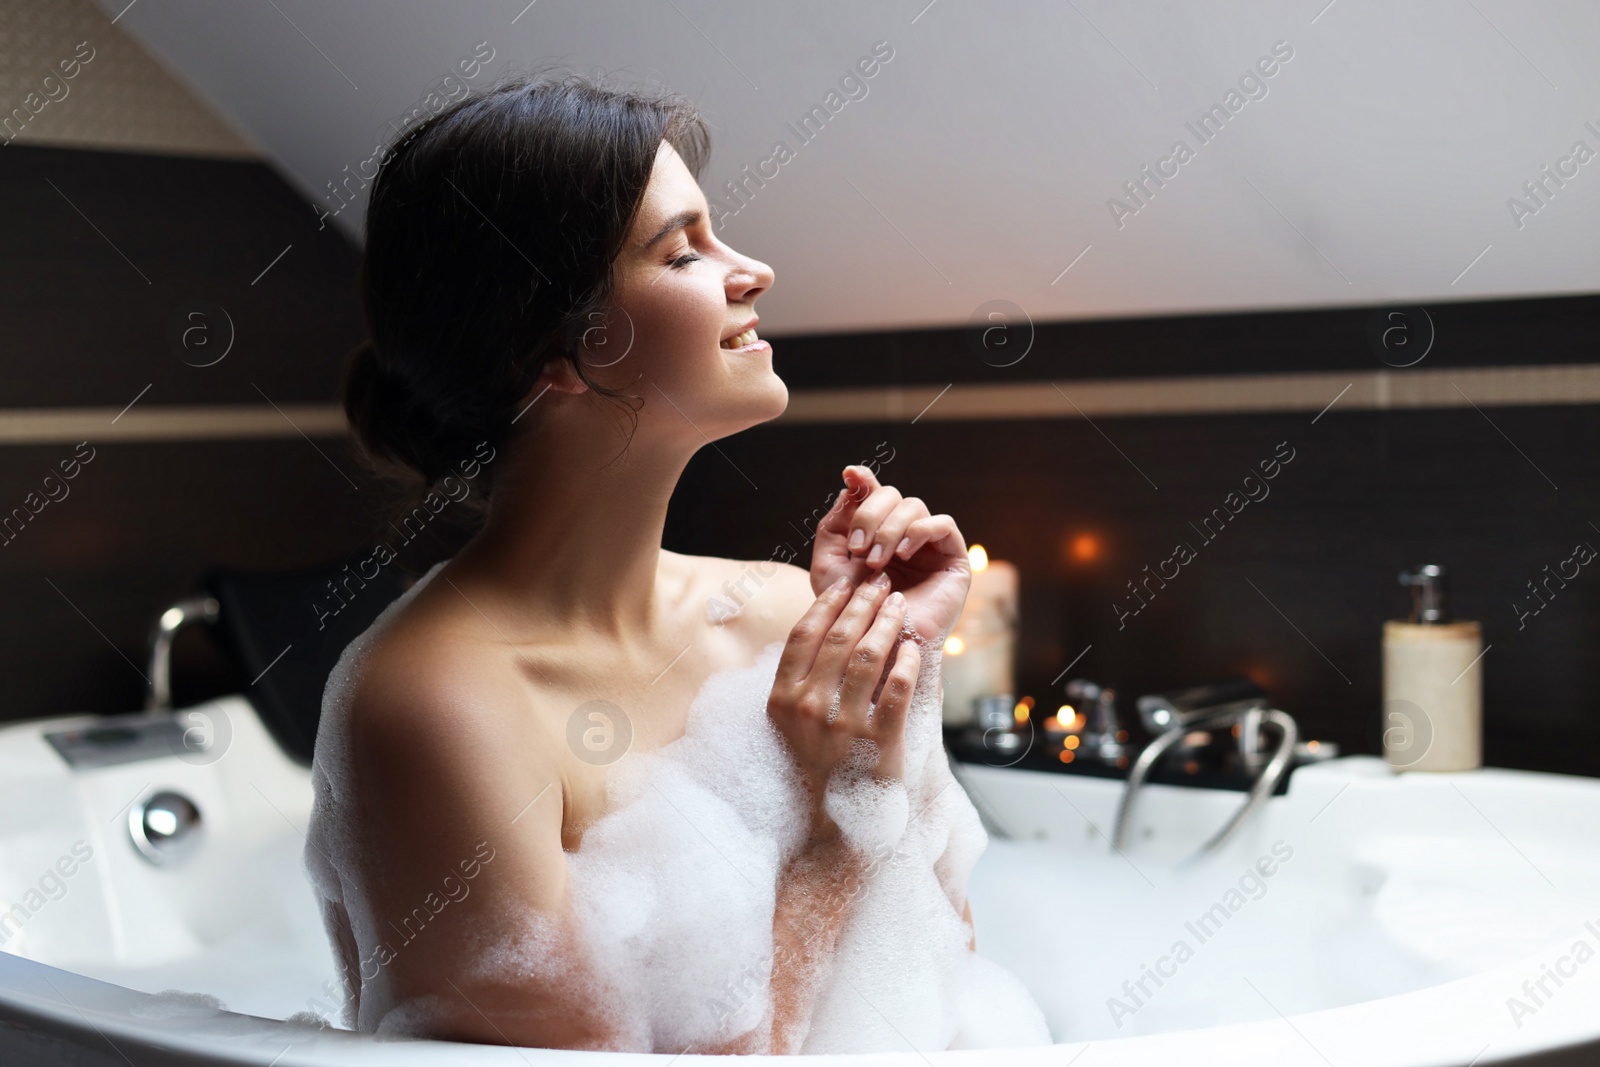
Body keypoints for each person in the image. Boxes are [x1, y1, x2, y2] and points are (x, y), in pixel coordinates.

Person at [304, 72, 1031, 1054]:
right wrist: (828, 822)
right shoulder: (437, 704)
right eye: (682, 249)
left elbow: (945, 969)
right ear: (555, 347)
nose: (753, 270)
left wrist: (889, 657)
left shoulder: (780, 617)